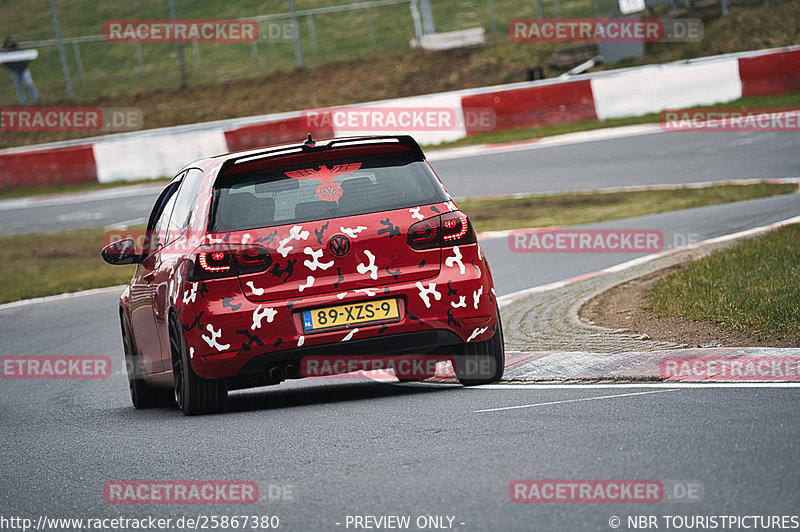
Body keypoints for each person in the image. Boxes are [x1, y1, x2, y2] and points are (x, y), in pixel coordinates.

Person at [2, 37, 39, 104]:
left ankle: (35, 99)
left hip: (24, 70)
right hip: (14, 72)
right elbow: (4, 63)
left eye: (9, 45)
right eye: (7, 46)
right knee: (18, 86)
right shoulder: (5, 54)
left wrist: (23, 65)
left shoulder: (20, 50)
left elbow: (27, 57)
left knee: (29, 83)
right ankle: (23, 101)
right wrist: (11, 67)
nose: (8, 47)